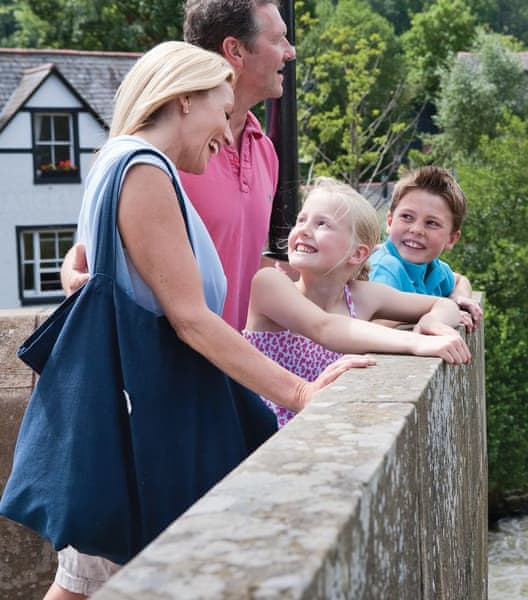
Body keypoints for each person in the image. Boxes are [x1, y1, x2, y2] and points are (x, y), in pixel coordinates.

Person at [44, 41, 374, 600]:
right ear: (184, 101)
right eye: (221, 111)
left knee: (83, 584)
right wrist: (301, 392)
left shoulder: (117, 161)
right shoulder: (144, 170)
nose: (226, 130)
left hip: (123, 417)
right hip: (141, 428)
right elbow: (191, 319)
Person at [61, 0, 296, 330]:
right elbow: (99, 246)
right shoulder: (164, 153)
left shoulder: (265, 151)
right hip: (174, 358)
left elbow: (242, 258)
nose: (290, 52)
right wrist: (73, 274)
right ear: (235, 50)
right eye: (278, 39)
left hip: (226, 358)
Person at [243, 178, 472, 427]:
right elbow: (324, 327)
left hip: (329, 429)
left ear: (357, 253)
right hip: (267, 437)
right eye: (301, 220)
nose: (304, 230)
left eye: (322, 224)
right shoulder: (270, 284)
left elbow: (445, 305)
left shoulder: (362, 296)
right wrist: (417, 342)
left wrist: (432, 322)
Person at [368, 166, 483, 330]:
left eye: (432, 223)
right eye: (407, 217)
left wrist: (457, 301)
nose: (416, 230)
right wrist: (440, 312)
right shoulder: (384, 267)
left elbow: (461, 281)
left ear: (451, 239)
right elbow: (375, 324)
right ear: (390, 222)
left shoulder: (433, 269)